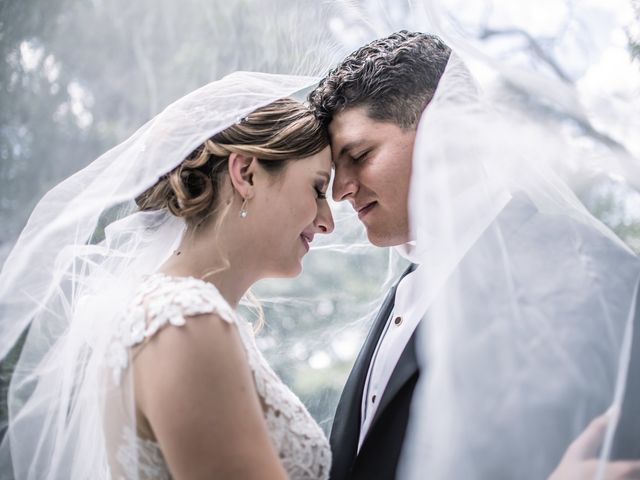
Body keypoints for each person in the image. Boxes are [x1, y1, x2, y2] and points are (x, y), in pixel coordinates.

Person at [309, 31, 640, 480]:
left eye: (360, 155)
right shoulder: (404, 292)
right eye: (334, 169)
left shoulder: (587, 267)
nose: (340, 189)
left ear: (442, 132)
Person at [0, 73, 334, 479]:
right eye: (318, 189)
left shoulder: (180, 313)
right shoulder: (187, 321)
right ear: (246, 173)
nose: (327, 221)